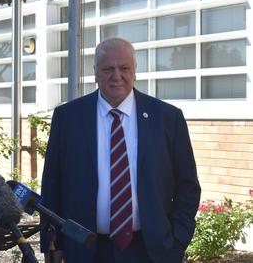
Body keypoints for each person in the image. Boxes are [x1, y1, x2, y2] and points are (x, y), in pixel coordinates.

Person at [40, 37, 201, 263]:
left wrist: (176, 241)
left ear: (135, 70)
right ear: (95, 73)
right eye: (108, 69)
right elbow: (52, 184)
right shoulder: (68, 118)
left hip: (151, 251)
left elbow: (188, 186)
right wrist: (52, 242)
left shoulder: (167, 118)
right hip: (85, 250)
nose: (116, 76)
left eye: (124, 68)